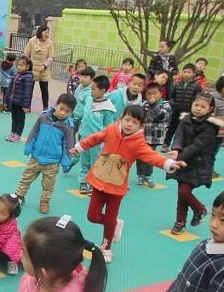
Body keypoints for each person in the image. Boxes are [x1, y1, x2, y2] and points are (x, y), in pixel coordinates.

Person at [71, 105, 182, 261]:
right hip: (99, 180)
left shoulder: (139, 143)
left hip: (116, 187)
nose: (129, 124)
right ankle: (114, 225)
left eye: (135, 122)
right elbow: (95, 138)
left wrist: (168, 163)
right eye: (127, 120)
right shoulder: (111, 130)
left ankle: (106, 247)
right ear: (121, 119)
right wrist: (80, 147)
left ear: (141, 126)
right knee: (92, 216)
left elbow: (151, 156)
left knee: (109, 220)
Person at [169, 94, 224, 234]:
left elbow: (197, 146)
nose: (198, 109)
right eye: (196, 105)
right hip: (182, 162)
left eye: (203, 107)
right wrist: (175, 149)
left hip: (199, 164)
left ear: (210, 108)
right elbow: (179, 135)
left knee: (184, 191)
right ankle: (180, 222)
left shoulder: (210, 127)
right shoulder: (185, 119)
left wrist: (179, 157)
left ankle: (200, 210)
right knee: (181, 193)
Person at [17, 94, 77, 214]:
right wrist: (29, 147)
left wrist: (66, 161)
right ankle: (19, 195)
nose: (63, 113)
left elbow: (68, 145)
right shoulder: (43, 117)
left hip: (52, 162)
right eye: (61, 108)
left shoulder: (67, 126)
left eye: (67, 111)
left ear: (71, 112)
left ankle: (44, 201)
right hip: (36, 157)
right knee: (26, 177)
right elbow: (34, 132)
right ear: (55, 105)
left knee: (48, 184)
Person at [74, 75, 117, 196]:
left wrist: (108, 142)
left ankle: (93, 184)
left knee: (95, 162)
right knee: (84, 161)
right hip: (84, 138)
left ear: (103, 91)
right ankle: (83, 181)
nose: (91, 91)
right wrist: (80, 133)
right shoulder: (89, 100)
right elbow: (84, 118)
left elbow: (109, 127)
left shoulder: (107, 108)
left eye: (93, 89)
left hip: (97, 142)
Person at [137, 83, 172, 187]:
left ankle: (148, 175)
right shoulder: (144, 104)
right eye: (149, 94)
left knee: (149, 156)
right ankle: (140, 174)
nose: (152, 96)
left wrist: (154, 105)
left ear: (161, 94)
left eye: (155, 93)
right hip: (143, 135)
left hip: (154, 137)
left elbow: (161, 117)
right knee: (139, 156)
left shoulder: (165, 105)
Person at [167, 64, 202, 148]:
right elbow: (171, 96)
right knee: (171, 128)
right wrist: (173, 103)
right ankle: (166, 144)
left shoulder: (196, 86)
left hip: (187, 112)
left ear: (193, 74)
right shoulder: (177, 84)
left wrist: (192, 110)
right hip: (176, 110)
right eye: (185, 72)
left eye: (189, 72)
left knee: (182, 129)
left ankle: (175, 146)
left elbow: (197, 99)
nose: (186, 74)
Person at [5, 56, 36, 142]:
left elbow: (28, 92)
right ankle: (13, 132)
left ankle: (18, 134)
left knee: (20, 118)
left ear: (27, 66)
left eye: (22, 65)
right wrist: (7, 100)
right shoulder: (16, 75)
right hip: (14, 101)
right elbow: (10, 88)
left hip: (21, 103)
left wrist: (26, 105)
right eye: (18, 65)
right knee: (14, 118)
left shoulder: (28, 77)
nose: (19, 67)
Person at [23, 25, 54, 110]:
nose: (47, 34)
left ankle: (45, 107)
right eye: (45, 32)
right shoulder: (32, 41)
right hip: (32, 70)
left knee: (44, 90)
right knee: (29, 89)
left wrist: (44, 66)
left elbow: (51, 56)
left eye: (48, 33)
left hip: (43, 70)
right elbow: (26, 54)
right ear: (40, 32)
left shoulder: (50, 43)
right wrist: (28, 65)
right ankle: (27, 106)